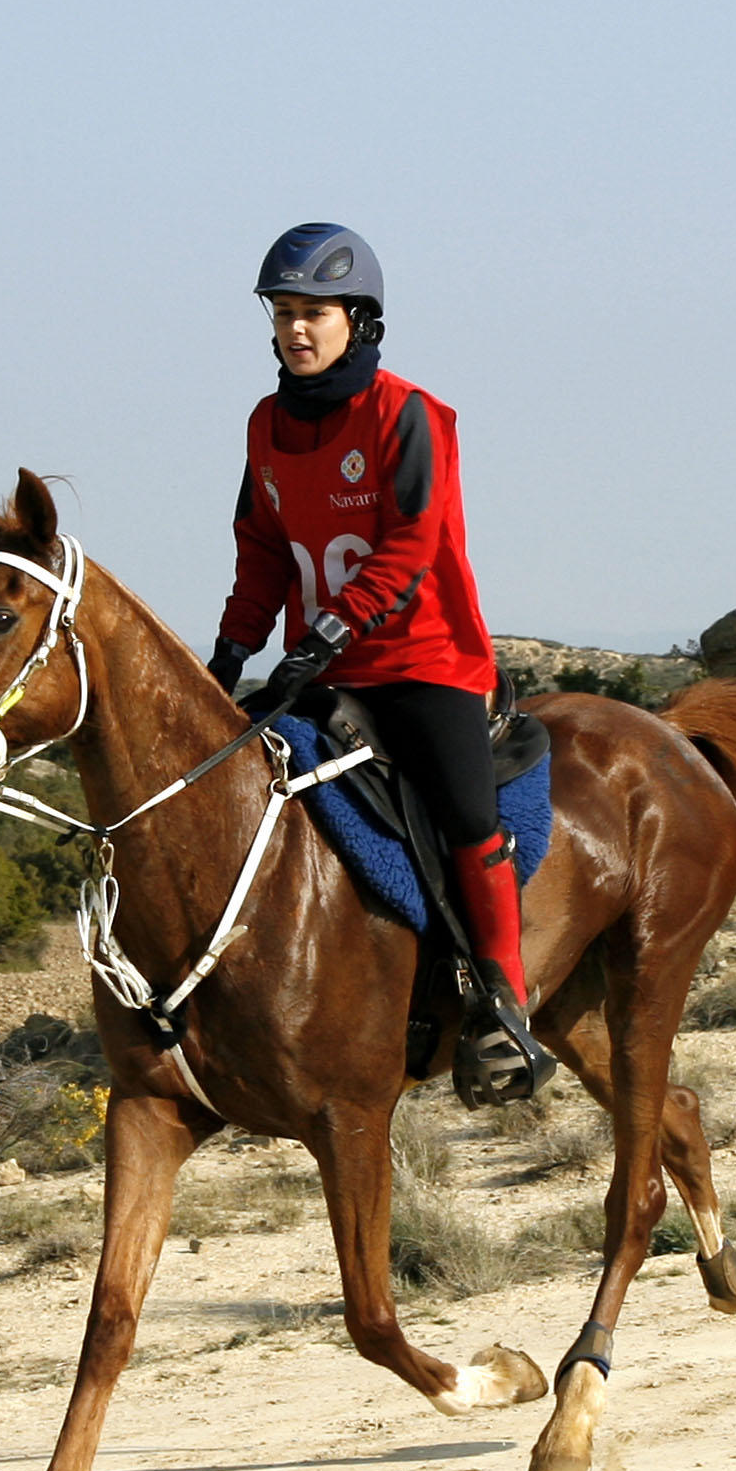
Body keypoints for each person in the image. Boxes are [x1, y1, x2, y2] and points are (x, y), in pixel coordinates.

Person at [206, 221, 553, 1103]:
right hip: (320, 671)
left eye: (313, 313)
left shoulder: (410, 415)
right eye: (283, 313)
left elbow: (409, 547)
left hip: (425, 661)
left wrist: (328, 633)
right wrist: (232, 650)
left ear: (358, 320)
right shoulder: (264, 425)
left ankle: (504, 1007)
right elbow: (263, 551)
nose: (295, 329)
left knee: (468, 818)